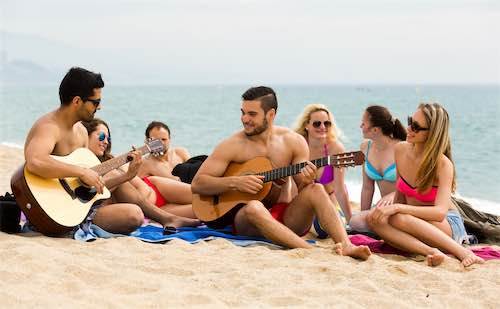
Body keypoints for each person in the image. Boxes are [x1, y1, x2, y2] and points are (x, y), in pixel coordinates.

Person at [191, 86, 371, 260]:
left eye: (252, 114)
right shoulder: (233, 145)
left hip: (285, 216)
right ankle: (309, 250)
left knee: (316, 189)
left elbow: (303, 187)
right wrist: (235, 183)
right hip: (248, 219)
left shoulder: (293, 142)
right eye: (243, 112)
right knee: (254, 206)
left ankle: (346, 245)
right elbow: (198, 184)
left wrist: (307, 180)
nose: (245, 119)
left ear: (271, 114)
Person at [23, 67, 142, 234]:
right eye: (95, 102)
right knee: (134, 215)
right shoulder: (49, 127)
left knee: (134, 213)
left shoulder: (81, 132)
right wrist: (81, 172)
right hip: (49, 212)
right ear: (77, 101)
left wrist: (127, 176)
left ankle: (167, 218)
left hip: (76, 209)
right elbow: (35, 161)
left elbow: (85, 187)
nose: (99, 107)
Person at [367, 103, 484, 267]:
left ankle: (462, 252)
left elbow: (439, 213)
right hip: (411, 220)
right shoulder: (400, 150)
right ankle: (430, 251)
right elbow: (400, 193)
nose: (408, 128)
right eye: (410, 121)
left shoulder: (443, 165)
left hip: (445, 224)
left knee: (398, 217)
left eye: (416, 127)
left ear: (433, 133)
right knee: (374, 219)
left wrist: (397, 209)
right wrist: (392, 211)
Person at [82, 118, 199, 222]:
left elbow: (141, 187)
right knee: (202, 210)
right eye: (102, 136)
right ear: (85, 136)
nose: (106, 142)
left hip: (156, 187)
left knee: (201, 195)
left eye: (108, 138)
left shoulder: (113, 161)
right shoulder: (79, 166)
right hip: (154, 209)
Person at [349, 105, 406, 232]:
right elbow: (367, 188)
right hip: (383, 209)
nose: (360, 126)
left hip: (403, 205)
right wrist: (363, 214)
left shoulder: (401, 147)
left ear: (375, 130)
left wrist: (394, 194)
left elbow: (414, 185)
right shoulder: (365, 148)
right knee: (356, 222)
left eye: (363, 123)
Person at [293, 104, 351, 222]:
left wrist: (350, 219)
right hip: (304, 201)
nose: (322, 127)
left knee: (325, 227)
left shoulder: (335, 148)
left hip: (330, 199)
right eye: (317, 123)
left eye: (327, 123)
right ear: (306, 125)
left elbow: (340, 189)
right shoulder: (297, 145)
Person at [137, 121, 193, 205]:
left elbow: (195, 174)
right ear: (147, 141)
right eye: (156, 140)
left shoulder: (180, 153)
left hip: (192, 194)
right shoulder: (146, 164)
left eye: (164, 139)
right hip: (171, 203)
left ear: (169, 139)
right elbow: (136, 191)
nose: (161, 143)